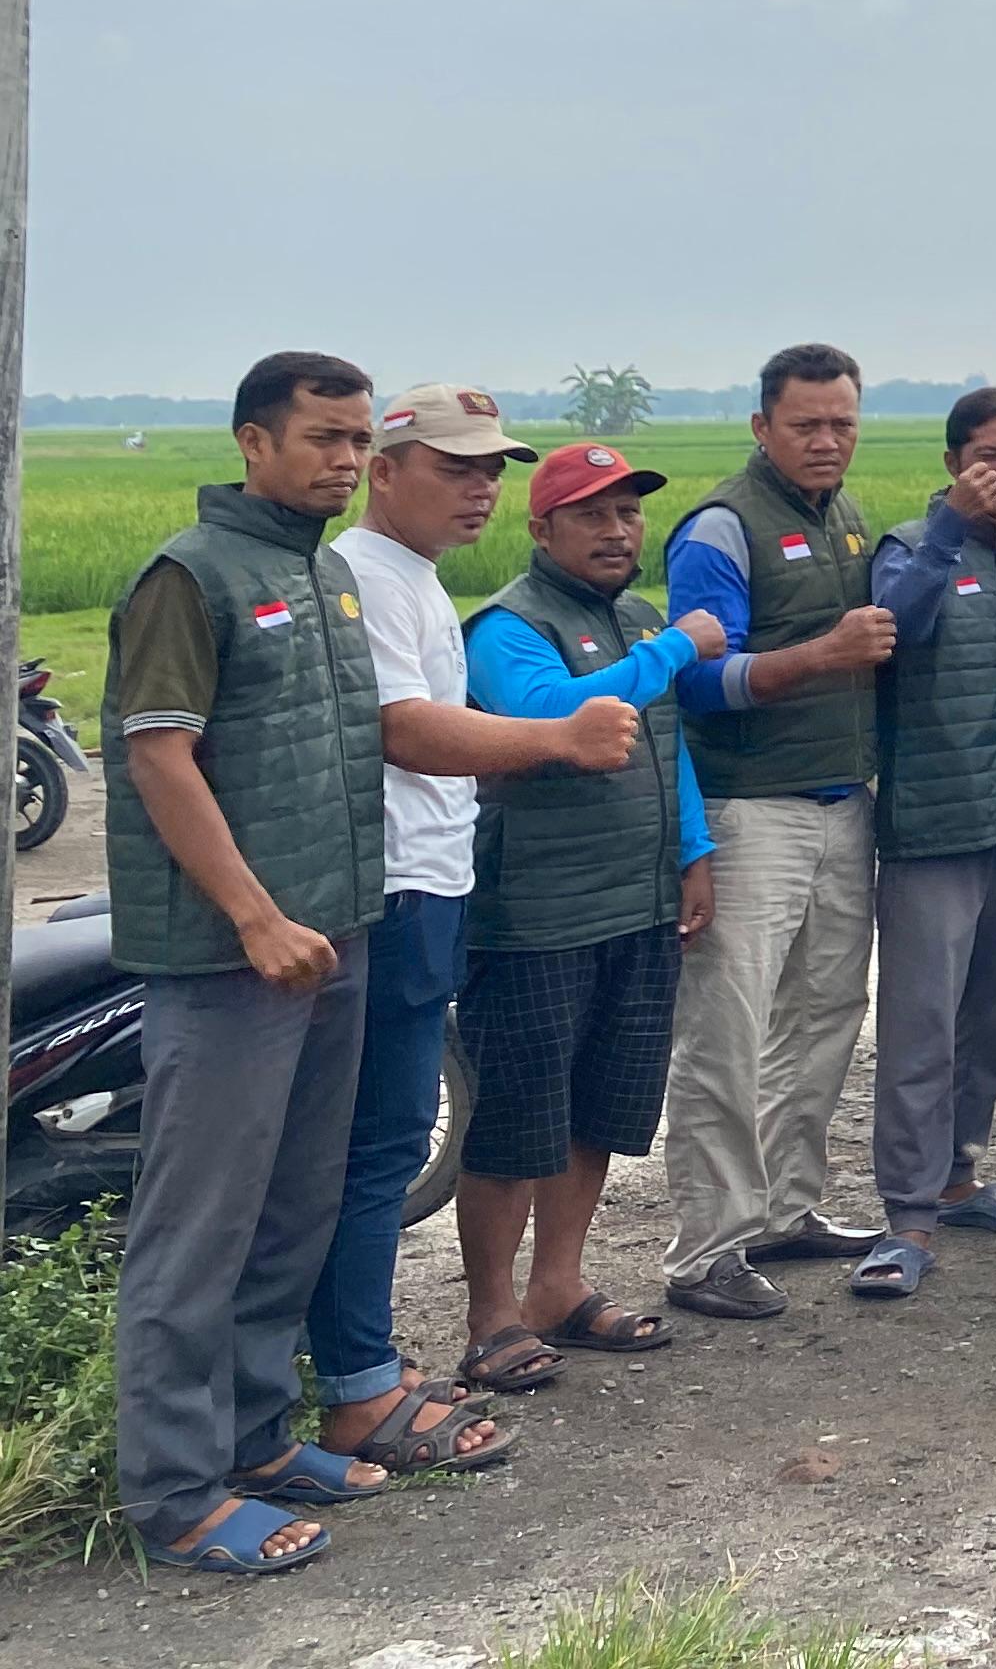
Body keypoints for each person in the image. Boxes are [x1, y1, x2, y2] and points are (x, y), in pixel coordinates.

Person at [108, 356, 635, 1576]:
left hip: (338, 937)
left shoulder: (323, 577)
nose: (341, 461)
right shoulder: (195, 576)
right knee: (202, 1226)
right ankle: (175, 1492)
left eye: (354, 438)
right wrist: (249, 916)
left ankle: (255, 1439)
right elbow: (159, 760)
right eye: (322, 440)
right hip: (235, 955)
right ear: (253, 442)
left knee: (295, 1209)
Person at [299, 387, 549, 1479]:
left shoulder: (414, 582)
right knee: (379, 1149)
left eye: (491, 469)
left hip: (429, 884)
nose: (480, 487)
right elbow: (403, 732)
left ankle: (366, 1363)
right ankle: (357, 1383)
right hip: (395, 891)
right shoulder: (366, 576)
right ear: (384, 470)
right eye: (453, 467)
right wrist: (552, 737)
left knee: (385, 1142)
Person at [451, 442, 723, 1395]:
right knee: (517, 1119)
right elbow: (551, 713)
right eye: (592, 516)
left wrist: (694, 852)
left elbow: (662, 744)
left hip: (637, 903)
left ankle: (558, 1287)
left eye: (628, 514)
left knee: (601, 1106)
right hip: (537, 914)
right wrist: (679, 648)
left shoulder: (638, 617)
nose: (617, 532)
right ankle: (489, 1318)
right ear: (542, 530)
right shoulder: (506, 627)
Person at [660, 341, 898, 1318]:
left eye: (842, 422)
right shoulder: (721, 528)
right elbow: (698, 683)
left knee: (827, 1014)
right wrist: (821, 656)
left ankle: (787, 1209)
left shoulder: (845, 518)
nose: (826, 440)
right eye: (805, 424)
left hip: (845, 803)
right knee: (729, 1028)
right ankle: (705, 1250)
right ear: (762, 426)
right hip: (751, 808)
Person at [853, 389, 996, 1300]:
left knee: (993, 1018)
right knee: (921, 1025)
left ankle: (957, 1177)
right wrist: (950, 527)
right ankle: (906, 1213)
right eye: (988, 455)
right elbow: (896, 630)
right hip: (936, 826)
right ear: (954, 462)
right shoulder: (911, 547)